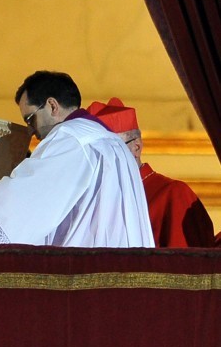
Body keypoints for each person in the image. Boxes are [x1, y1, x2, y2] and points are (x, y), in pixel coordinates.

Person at [0, 71, 154, 248]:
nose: (31, 130)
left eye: (30, 119)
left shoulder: (70, 139)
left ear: (52, 105)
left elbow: (25, 194)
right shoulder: (108, 141)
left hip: (88, 268)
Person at [87, 98, 215, 248]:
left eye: (111, 149)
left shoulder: (172, 194)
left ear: (136, 147)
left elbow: (187, 265)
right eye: (94, 152)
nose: (102, 158)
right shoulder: (92, 199)